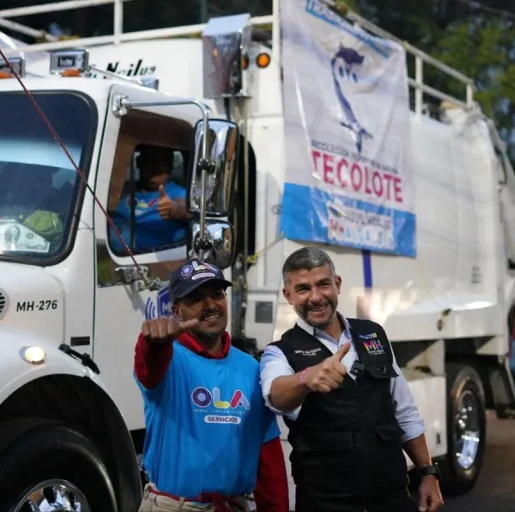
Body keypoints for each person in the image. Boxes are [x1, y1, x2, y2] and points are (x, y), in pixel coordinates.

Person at [259, 247, 443, 512]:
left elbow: (404, 412)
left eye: (323, 284)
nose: (316, 297)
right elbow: (275, 394)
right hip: (326, 503)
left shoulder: (373, 334)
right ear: (288, 296)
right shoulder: (279, 352)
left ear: (338, 284)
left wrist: (427, 472)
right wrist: (305, 379)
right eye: (303, 289)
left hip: (392, 498)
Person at [134, 258, 289, 512]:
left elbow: (267, 451)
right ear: (177, 311)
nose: (210, 305)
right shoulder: (168, 358)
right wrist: (153, 342)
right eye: (196, 298)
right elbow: (148, 367)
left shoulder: (251, 368)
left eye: (217, 294)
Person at [110, 145, 190, 253]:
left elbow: (190, 210)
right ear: (139, 163)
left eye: (160, 165)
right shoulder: (123, 191)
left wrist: (174, 208)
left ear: (170, 167)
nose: (154, 170)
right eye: (149, 162)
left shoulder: (177, 192)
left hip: (154, 257)